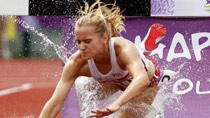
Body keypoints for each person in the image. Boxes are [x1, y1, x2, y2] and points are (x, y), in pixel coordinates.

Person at [39, 0, 174, 118]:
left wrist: (115, 105)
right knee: (83, 84)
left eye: (87, 41)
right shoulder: (76, 62)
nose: (82, 47)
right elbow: (55, 103)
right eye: (78, 41)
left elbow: (142, 79)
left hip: (147, 83)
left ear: (104, 38)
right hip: (115, 82)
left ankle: (145, 52)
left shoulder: (122, 47)